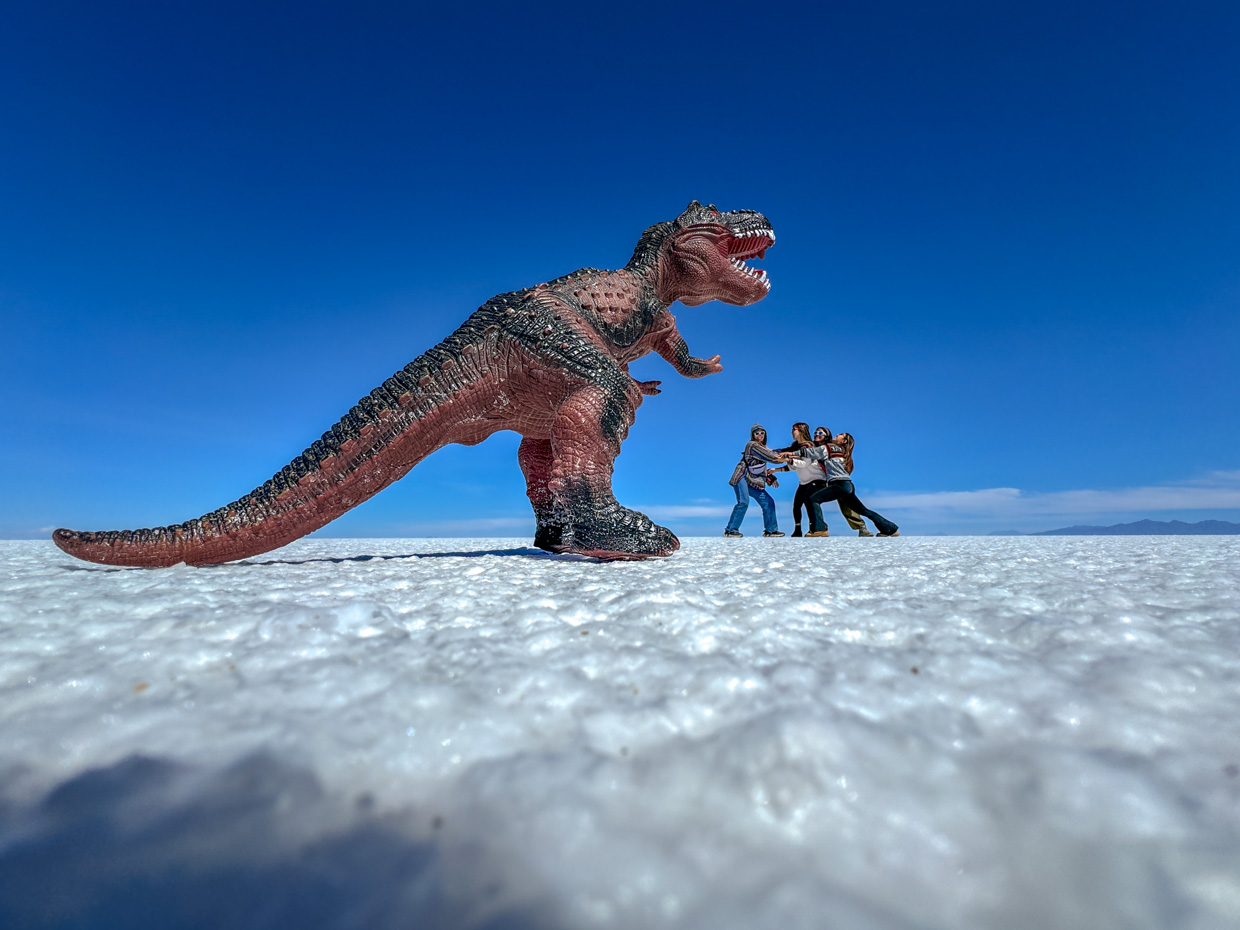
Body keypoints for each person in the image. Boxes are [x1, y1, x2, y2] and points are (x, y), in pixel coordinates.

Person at [787, 432, 899, 537]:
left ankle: (820, 529)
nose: (837, 434)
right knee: (862, 510)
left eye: (840, 435)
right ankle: (890, 529)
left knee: (813, 499)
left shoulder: (830, 447)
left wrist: (791, 453)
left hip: (839, 484)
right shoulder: (837, 450)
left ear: (843, 441)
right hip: (846, 484)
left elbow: (810, 452)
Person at [724, 424, 785, 538]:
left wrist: (770, 477)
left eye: (762, 433)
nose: (760, 435)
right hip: (741, 476)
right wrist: (789, 457)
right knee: (743, 502)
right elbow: (772, 457)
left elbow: (761, 465)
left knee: (768, 502)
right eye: (757, 433)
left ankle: (771, 530)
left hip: (753, 481)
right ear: (753, 435)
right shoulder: (752, 445)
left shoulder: (763, 447)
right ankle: (730, 530)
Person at [813, 426, 874, 537]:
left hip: (834, 481)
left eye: (820, 433)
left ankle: (861, 527)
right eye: (815, 432)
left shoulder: (833, 448)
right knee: (808, 501)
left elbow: (845, 467)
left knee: (846, 505)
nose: (817, 434)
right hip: (818, 480)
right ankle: (816, 528)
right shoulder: (813, 446)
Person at [771, 422, 829, 537]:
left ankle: (816, 529)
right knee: (797, 505)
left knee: (809, 503)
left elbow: (804, 464)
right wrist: (775, 470)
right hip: (804, 482)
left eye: (794, 429)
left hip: (816, 479)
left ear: (801, 431)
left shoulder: (809, 446)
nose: (792, 432)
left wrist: (787, 460)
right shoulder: (796, 447)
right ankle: (798, 530)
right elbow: (794, 465)